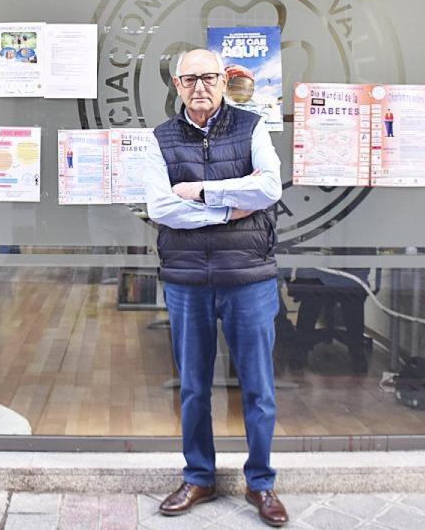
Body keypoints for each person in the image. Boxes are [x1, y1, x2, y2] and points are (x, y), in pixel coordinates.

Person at [144, 48, 288, 527]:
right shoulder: (160, 139)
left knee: (258, 387)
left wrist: (204, 192)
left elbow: (268, 188)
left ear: (224, 81)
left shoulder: (251, 128)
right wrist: (230, 206)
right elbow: (162, 207)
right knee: (193, 387)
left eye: (208, 77)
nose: (199, 87)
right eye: (189, 80)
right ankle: (198, 476)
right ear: (177, 85)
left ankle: (261, 484)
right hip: (188, 280)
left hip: (248, 277)